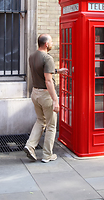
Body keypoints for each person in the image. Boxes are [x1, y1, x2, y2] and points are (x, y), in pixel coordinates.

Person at [24, 34, 68, 163]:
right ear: (46, 44)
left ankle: (30, 146)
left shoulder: (32, 56)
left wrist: (57, 71)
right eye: (52, 41)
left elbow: (41, 71)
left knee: (40, 120)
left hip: (35, 93)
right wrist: (55, 100)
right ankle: (47, 155)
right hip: (45, 95)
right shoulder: (47, 58)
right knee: (51, 125)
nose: (53, 43)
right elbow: (48, 81)